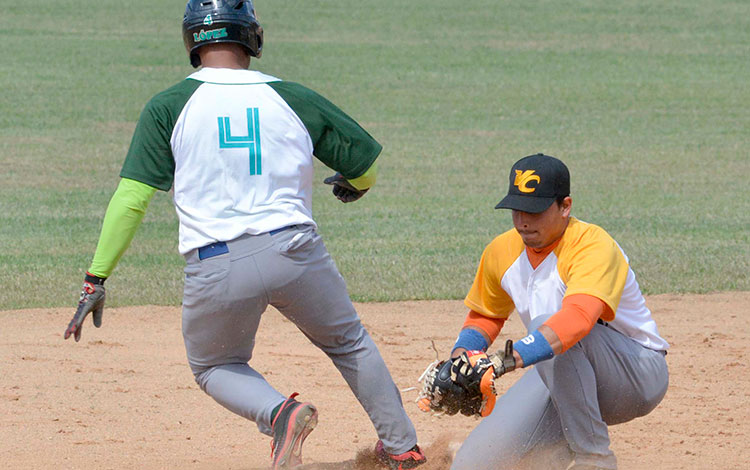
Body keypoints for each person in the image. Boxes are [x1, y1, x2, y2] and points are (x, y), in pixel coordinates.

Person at [63, 1, 426, 469]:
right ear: (252, 36)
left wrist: (96, 278)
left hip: (217, 265)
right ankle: (402, 449)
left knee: (214, 366)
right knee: (349, 343)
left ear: (192, 41)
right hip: (297, 253)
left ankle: (281, 413)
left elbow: (131, 199)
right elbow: (366, 165)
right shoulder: (291, 95)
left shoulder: (168, 106)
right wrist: (352, 185)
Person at [421, 153, 669, 470]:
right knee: (474, 465)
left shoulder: (593, 245)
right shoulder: (501, 250)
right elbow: (486, 316)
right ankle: (555, 453)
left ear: (565, 206)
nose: (523, 221)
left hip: (634, 375)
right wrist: (463, 360)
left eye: (535, 211)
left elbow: (577, 320)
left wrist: (501, 361)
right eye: (516, 210)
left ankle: (594, 459)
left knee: (548, 325)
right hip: (564, 375)